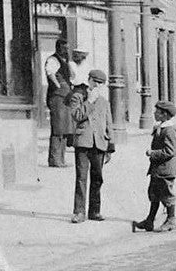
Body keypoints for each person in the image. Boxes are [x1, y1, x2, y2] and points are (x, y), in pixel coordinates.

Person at [71, 69, 114, 223]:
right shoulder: (78, 96)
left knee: (97, 178)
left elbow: (109, 123)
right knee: (81, 178)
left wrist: (110, 147)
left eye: (101, 83)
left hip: (100, 144)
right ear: (89, 80)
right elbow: (76, 116)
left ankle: (94, 211)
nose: (97, 85)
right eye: (95, 81)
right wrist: (88, 101)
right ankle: (79, 212)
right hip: (83, 142)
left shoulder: (104, 102)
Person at [133, 101, 176, 233]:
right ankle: (149, 221)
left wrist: (153, 153)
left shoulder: (169, 130)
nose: (154, 113)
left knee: (167, 195)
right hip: (158, 169)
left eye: (157, 112)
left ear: (164, 114)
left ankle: (171, 220)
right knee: (154, 194)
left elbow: (170, 151)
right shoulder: (160, 127)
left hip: (165, 170)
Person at [44, 39, 74, 167]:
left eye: (67, 48)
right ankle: (54, 159)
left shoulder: (65, 62)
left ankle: (61, 159)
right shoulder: (53, 60)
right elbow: (50, 73)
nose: (66, 50)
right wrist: (57, 86)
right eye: (64, 48)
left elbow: (71, 76)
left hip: (65, 98)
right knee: (58, 128)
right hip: (57, 97)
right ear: (58, 48)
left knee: (65, 128)